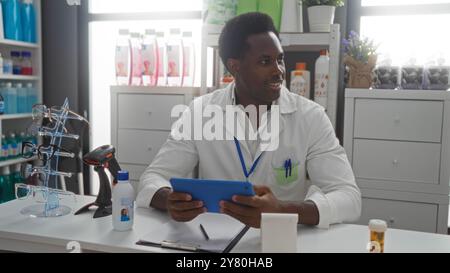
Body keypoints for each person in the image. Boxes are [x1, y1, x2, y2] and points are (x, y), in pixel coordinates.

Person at [137, 12, 361, 229]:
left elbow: (349, 198)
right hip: (214, 241)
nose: (279, 71)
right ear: (235, 66)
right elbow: (153, 178)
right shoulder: (201, 112)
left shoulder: (310, 117)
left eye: (280, 59)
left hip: (279, 241)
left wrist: (281, 211)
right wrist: (168, 200)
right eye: (265, 61)